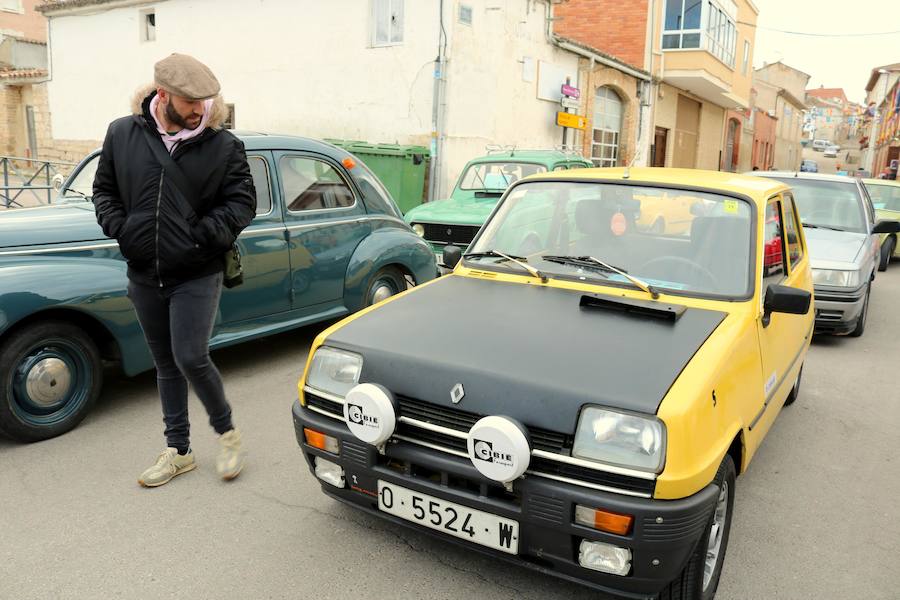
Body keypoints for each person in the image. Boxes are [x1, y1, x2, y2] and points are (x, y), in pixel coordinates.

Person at [92, 54, 256, 487]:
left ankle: (228, 433)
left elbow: (242, 203)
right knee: (164, 363)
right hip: (144, 271)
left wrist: (203, 236)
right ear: (162, 95)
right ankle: (179, 451)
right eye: (189, 101)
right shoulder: (121, 134)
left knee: (190, 357)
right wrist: (123, 230)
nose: (199, 110)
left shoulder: (224, 146)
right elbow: (104, 191)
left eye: (205, 101)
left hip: (197, 271)